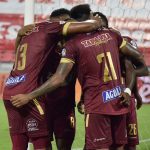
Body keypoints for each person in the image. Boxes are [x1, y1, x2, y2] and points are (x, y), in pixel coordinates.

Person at [10, 4, 148, 150]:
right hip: (112, 100)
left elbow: (60, 78)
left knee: (100, 146)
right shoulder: (112, 35)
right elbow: (135, 62)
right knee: (118, 146)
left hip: (86, 106)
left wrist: (29, 95)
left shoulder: (72, 45)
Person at [3, 8, 102, 150]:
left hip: (58, 103)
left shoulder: (64, 43)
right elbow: (59, 79)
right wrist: (96, 20)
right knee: (42, 144)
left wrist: (19, 35)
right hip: (38, 99)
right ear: (61, 19)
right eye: (67, 21)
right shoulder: (50, 32)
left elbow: (84, 74)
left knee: (21, 143)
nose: (69, 24)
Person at [92, 12, 146, 150]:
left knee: (128, 143)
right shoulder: (91, 44)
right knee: (104, 143)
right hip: (102, 98)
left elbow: (143, 68)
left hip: (123, 97)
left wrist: (131, 90)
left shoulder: (121, 40)